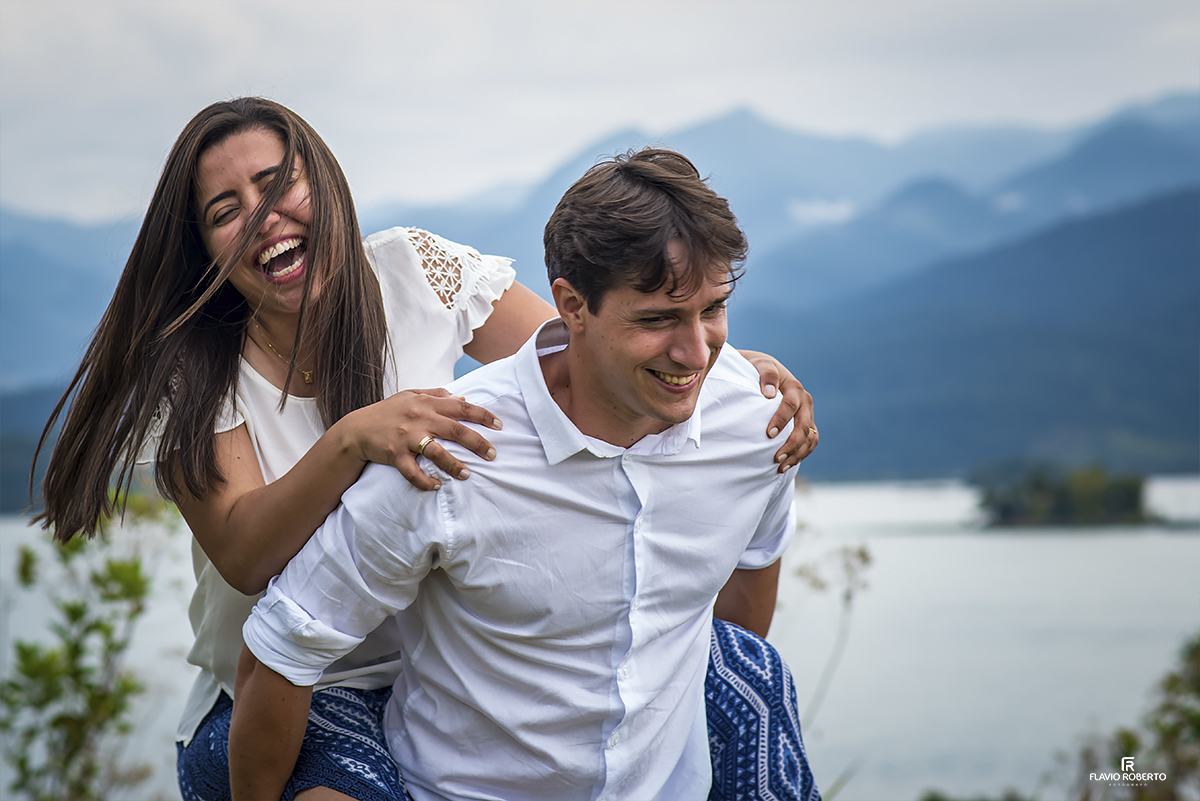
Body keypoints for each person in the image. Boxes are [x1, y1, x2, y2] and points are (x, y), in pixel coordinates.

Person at [33, 99, 817, 800]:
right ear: (205, 248)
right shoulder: (192, 374)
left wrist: (727, 369)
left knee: (749, 677)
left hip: (436, 668)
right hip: (290, 686)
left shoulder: (412, 271)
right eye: (226, 210)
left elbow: (581, 350)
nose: (265, 216)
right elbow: (243, 551)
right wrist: (351, 440)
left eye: (279, 185)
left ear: (327, 188)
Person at [232, 148, 820, 801]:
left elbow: (742, 610)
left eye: (712, 310)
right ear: (570, 305)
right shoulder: (455, 453)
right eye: (656, 319)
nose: (694, 352)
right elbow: (279, 649)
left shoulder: (760, 421)